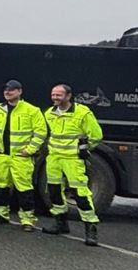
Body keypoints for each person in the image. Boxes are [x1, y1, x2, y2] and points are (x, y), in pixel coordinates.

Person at [41, 84, 103, 246]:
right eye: (53, 94)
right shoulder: (49, 113)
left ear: (68, 96)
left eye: (59, 95)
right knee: (54, 191)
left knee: (80, 193)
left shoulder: (82, 113)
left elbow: (96, 135)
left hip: (73, 160)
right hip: (54, 158)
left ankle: (91, 228)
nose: (55, 97)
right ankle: (60, 223)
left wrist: (84, 149)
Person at [0, 79, 47, 230]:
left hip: (21, 157)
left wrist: (30, 150)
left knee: (24, 189)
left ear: (19, 91)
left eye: (11, 90)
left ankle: (27, 220)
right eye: (5, 89)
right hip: (1, 157)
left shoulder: (32, 110)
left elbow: (41, 132)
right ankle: (1, 215)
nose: (7, 92)